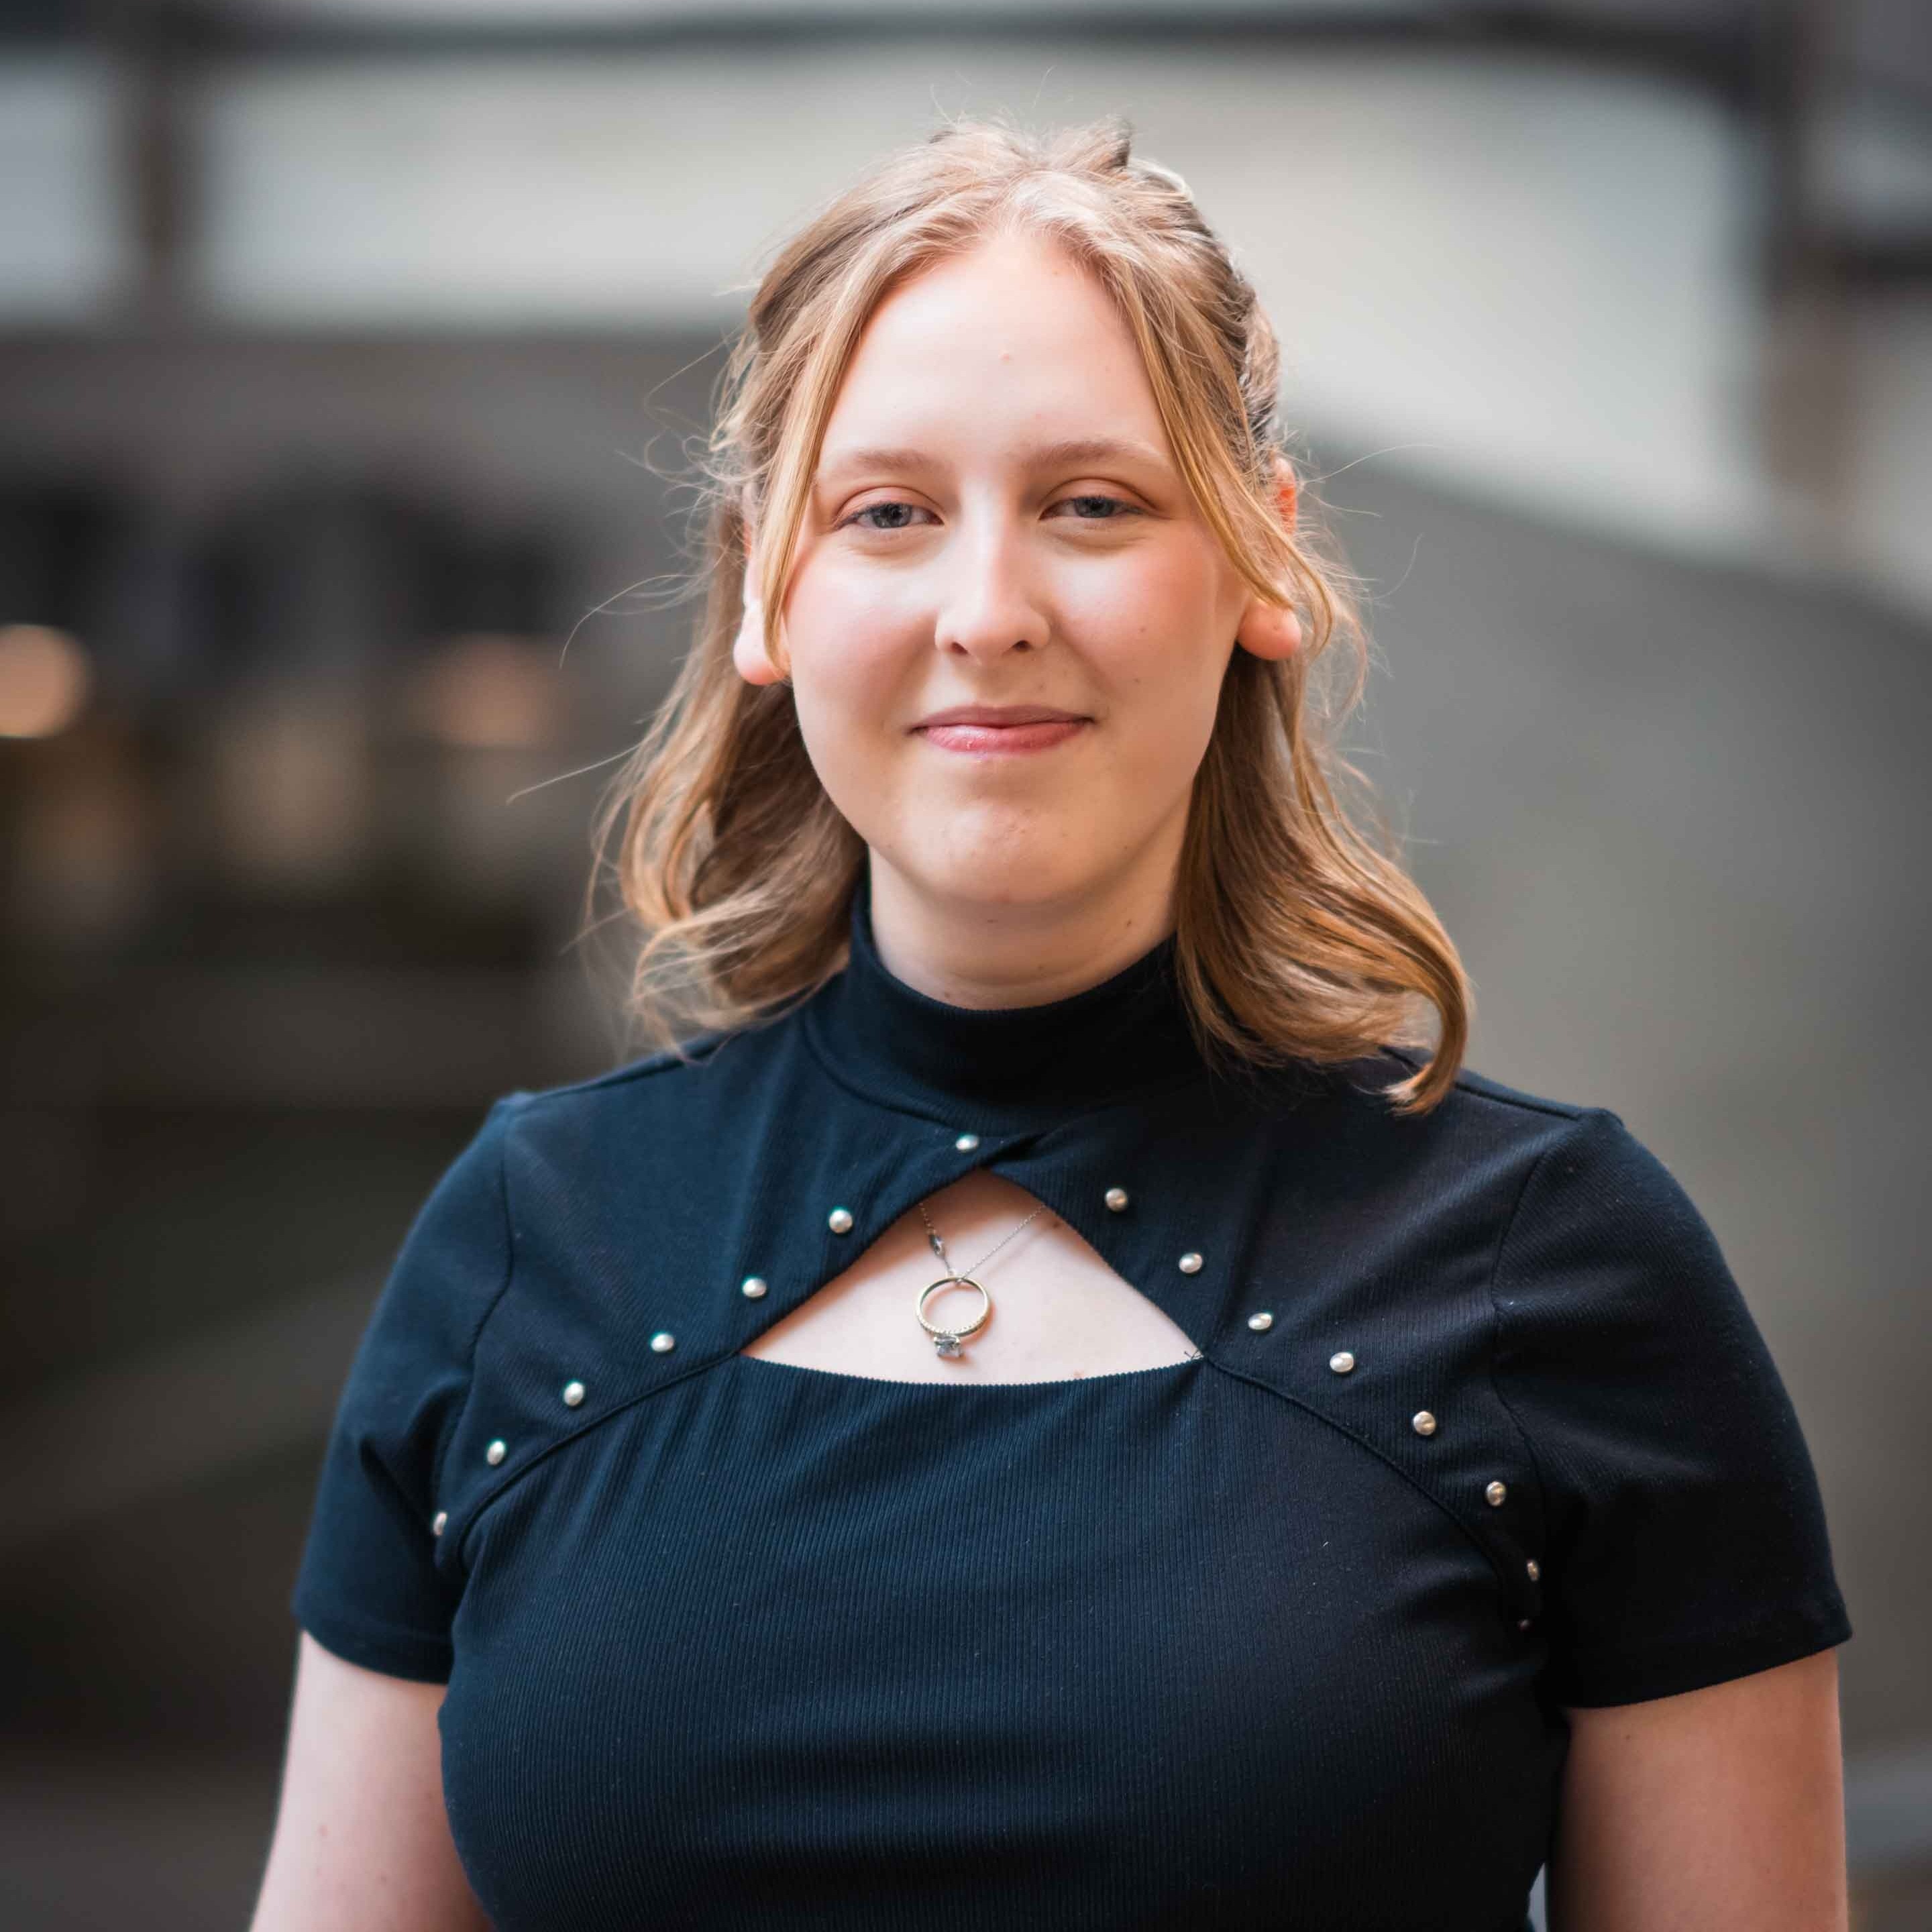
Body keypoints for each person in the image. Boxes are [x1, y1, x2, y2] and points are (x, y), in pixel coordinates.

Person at [251, 119, 1853, 1932]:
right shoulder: (530, 1241)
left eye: (1092, 504)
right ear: (768, 584)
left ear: (1261, 557)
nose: (989, 613)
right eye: (888, 513)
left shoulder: (1557, 1268)